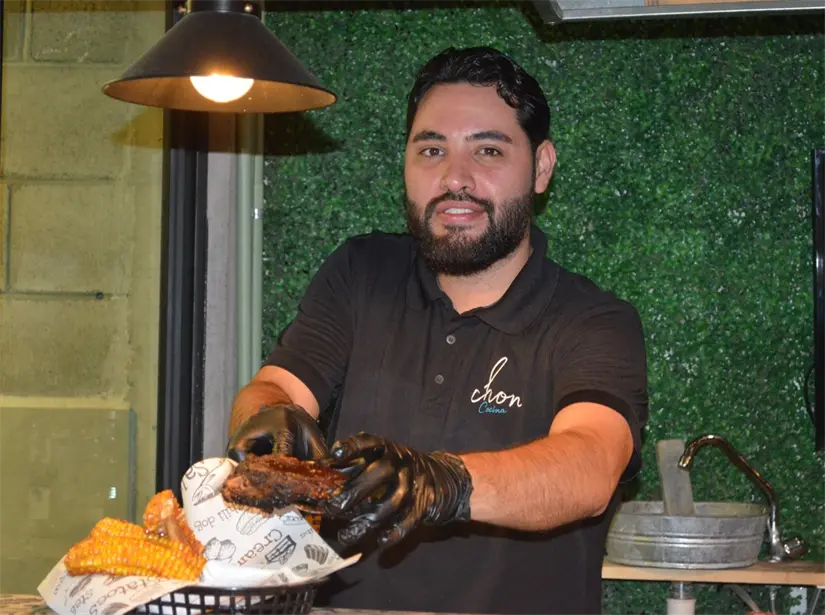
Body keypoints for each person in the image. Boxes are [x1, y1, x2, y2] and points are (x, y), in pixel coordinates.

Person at [226, 46, 649, 615]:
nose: (455, 179)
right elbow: (274, 389)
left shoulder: (593, 319)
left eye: (488, 150)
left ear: (541, 167)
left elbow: (590, 467)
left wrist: (441, 481)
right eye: (432, 149)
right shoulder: (361, 273)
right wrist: (264, 419)